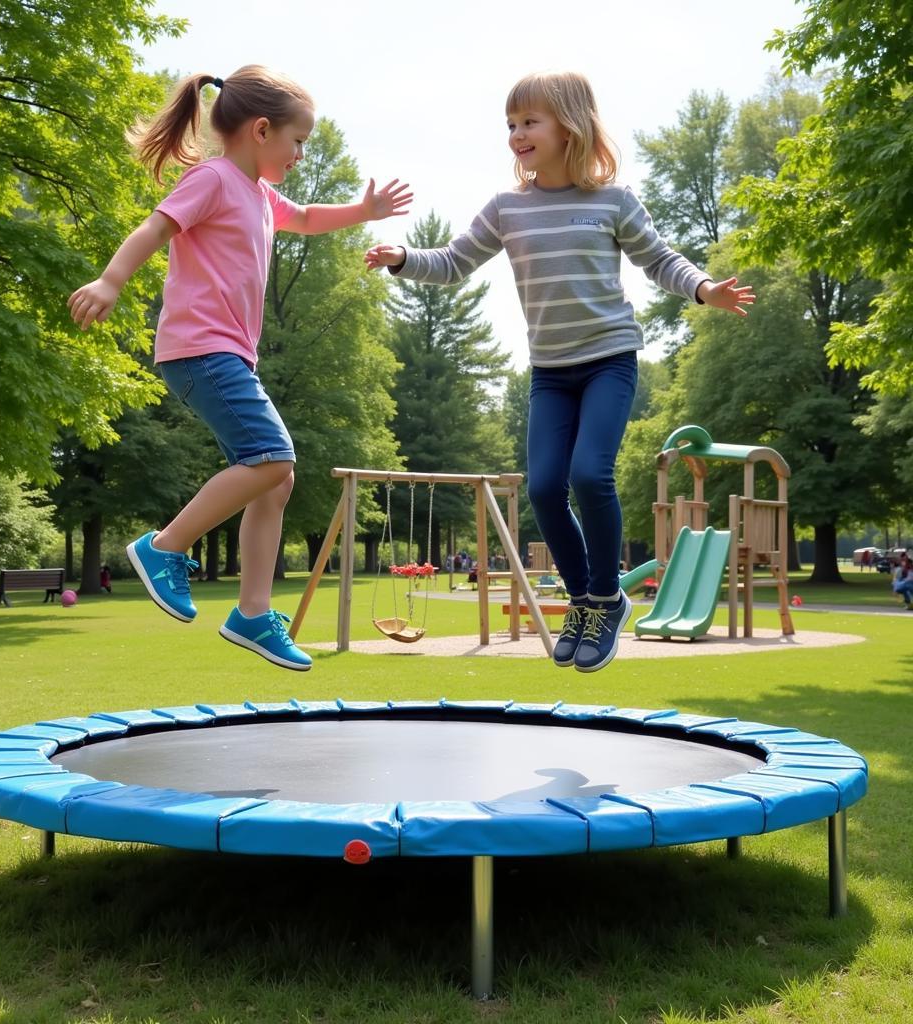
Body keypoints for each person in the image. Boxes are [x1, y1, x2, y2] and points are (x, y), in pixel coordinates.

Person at [366, 71, 755, 673]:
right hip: (550, 372)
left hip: (608, 362)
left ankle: (606, 599)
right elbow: (453, 261)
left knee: (589, 476)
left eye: (530, 122)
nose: (518, 134)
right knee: (545, 488)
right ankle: (584, 599)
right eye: (512, 125)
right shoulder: (506, 208)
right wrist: (402, 259)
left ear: (568, 126)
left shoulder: (613, 201)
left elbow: (658, 259)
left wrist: (704, 288)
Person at [68, 65, 412, 671]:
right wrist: (111, 279)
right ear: (260, 131)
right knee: (273, 457)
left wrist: (364, 211)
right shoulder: (214, 180)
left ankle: (252, 613)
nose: (302, 153)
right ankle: (164, 546)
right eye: (297, 140)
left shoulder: (258, 194)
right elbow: (156, 226)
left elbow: (304, 218)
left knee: (275, 480)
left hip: (226, 355)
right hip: (200, 348)